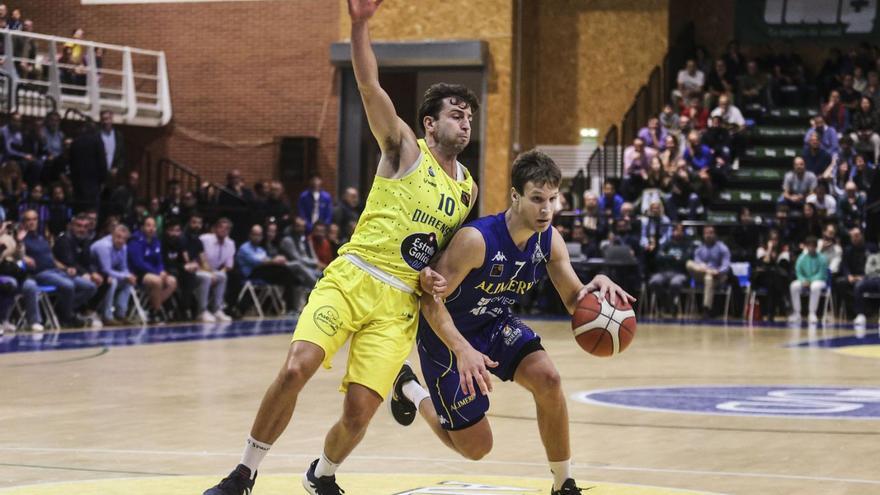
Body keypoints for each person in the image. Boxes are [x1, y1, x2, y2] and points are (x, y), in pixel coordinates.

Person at [203, 1, 480, 493]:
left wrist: (436, 275)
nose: (465, 123)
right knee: (295, 369)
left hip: (400, 303)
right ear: (429, 123)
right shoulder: (404, 147)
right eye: (456, 115)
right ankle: (243, 472)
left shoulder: (468, 189)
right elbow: (370, 86)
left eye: (470, 118)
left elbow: (436, 252)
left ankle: (322, 474)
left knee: (358, 414)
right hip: (354, 275)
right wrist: (359, 25)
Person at [388, 150, 631, 495]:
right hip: (448, 335)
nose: (546, 209)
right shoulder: (477, 240)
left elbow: (574, 298)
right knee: (476, 447)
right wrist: (462, 349)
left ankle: (564, 483)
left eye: (552, 199)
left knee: (549, 379)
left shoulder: (549, 239)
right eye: (536, 199)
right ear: (515, 197)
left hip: (494, 322)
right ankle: (410, 389)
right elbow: (430, 300)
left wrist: (598, 293)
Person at [22, 209, 97, 328]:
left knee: (90, 286)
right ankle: (67, 317)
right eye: (28, 219)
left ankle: (61, 310)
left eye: (34, 219)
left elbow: (53, 259)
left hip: (56, 271)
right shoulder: (21, 239)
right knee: (68, 285)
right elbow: (17, 254)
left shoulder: (41, 238)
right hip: (40, 274)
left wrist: (66, 268)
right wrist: (24, 256)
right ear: (23, 222)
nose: (32, 222)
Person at [53, 213, 104, 326]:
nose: (82, 229)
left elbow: (88, 261)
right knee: (89, 286)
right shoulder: (64, 240)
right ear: (71, 226)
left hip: (76, 272)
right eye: (79, 226)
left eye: (85, 227)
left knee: (102, 280)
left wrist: (93, 273)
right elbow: (69, 262)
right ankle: (62, 311)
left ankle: (76, 310)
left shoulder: (85, 241)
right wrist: (85, 274)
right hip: (62, 272)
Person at [128, 216, 177, 323]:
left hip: (154, 272)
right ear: (142, 227)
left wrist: (161, 271)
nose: (151, 228)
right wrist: (156, 273)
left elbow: (159, 261)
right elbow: (138, 263)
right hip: (138, 274)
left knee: (172, 281)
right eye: (148, 225)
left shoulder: (156, 241)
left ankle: (152, 307)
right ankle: (157, 310)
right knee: (157, 281)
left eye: (154, 226)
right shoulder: (135, 240)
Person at [91, 224, 136, 325]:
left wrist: (129, 276)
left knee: (127, 282)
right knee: (113, 282)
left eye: (124, 238)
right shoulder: (103, 246)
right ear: (112, 235)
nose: (120, 240)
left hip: (107, 275)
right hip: (93, 274)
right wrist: (125, 276)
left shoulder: (124, 247)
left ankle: (121, 314)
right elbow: (106, 269)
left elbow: (123, 268)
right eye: (118, 237)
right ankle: (107, 316)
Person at [686, 225, 731, 319]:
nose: (708, 235)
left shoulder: (723, 248)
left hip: (718, 276)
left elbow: (726, 266)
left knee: (708, 278)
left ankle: (706, 309)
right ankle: (708, 272)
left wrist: (717, 271)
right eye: (706, 233)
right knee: (689, 263)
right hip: (702, 273)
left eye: (711, 233)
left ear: (715, 234)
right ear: (703, 235)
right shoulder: (699, 249)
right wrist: (707, 269)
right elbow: (697, 263)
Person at [648, 223, 692, 315]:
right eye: (675, 230)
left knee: (675, 283)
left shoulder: (687, 245)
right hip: (664, 272)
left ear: (683, 233)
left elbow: (685, 259)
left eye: (679, 230)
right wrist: (673, 257)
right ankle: (668, 304)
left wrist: (667, 256)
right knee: (654, 281)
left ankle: (667, 306)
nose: (677, 232)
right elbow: (658, 257)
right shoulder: (666, 244)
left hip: (679, 273)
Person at [788, 236, 828, 325]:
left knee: (815, 286)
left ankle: (812, 313)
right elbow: (798, 271)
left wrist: (811, 280)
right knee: (793, 286)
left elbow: (822, 273)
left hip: (820, 281)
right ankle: (797, 313)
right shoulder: (801, 258)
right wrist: (803, 280)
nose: (811, 248)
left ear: (816, 246)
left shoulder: (822, 258)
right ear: (806, 246)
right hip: (805, 281)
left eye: (813, 246)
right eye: (809, 246)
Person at [852, 247, 880, 328]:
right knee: (859, 285)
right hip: (871, 279)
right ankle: (860, 315)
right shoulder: (872, 256)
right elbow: (867, 270)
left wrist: (875, 269)